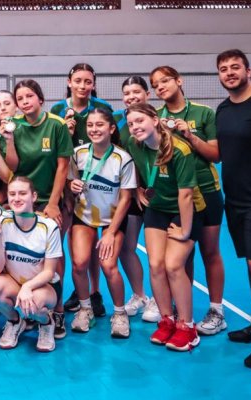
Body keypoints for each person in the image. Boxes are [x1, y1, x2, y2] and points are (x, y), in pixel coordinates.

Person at [151, 65, 227, 336]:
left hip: (205, 192)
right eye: (156, 84)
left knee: (209, 251)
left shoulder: (203, 112)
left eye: (165, 81)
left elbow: (215, 155)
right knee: (182, 256)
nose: (161, 87)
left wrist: (189, 135)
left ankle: (217, 310)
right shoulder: (156, 117)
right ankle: (185, 314)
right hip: (174, 196)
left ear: (179, 81)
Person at [125, 102, 205, 352]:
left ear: (155, 119)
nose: (135, 127)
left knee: (173, 265)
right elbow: (135, 170)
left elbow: (185, 196)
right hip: (157, 209)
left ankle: (187, 326)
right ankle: (166, 319)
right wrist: (138, 189)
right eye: (130, 124)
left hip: (187, 210)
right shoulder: (134, 145)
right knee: (156, 265)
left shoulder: (179, 150)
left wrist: (185, 231)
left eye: (140, 121)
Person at [215, 48, 251, 369]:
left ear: (248, 71)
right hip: (235, 201)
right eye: (223, 69)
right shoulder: (223, 109)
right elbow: (221, 153)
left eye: (235, 67)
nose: (229, 73)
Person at [50, 63, 114, 318]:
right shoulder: (57, 110)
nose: (83, 86)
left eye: (88, 81)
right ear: (69, 82)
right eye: (78, 81)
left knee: (94, 241)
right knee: (65, 240)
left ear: (93, 84)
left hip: (97, 184)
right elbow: (54, 147)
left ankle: (95, 291)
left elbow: (113, 143)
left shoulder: (102, 109)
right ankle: (75, 290)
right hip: (68, 182)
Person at [11, 79, 73, 338]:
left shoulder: (56, 125)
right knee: (26, 254)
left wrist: (53, 203)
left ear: (40, 99)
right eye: (20, 98)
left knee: (54, 257)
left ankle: (57, 311)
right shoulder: (15, 128)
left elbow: (62, 166)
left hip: (51, 200)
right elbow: (13, 167)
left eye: (29, 96)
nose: (25, 102)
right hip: (24, 200)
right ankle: (30, 307)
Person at [68, 108, 136, 338]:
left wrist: (110, 233)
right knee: (79, 264)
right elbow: (69, 182)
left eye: (99, 125)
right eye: (90, 125)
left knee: (108, 265)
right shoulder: (77, 154)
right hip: (84, 215)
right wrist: (71, 186)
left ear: (111, 128)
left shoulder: (123, 159)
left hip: (112, 219)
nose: (94, 129)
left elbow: (127, 198)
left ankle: (119, 314)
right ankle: (86, 309)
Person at [0, 177, 63, 352]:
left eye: (22, 193)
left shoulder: (49, 227)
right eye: (12, 194)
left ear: (33, 197)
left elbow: (50, 272)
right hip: (15, 282)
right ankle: (14, 321)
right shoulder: (2, 222)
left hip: (44, 286)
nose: (16, 198)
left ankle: (46, 322)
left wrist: (28, 287)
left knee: (32, 305)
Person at [112, 76, 158, 321]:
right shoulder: (122, 124)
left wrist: (145, 188)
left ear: (147, 94)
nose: (131, 96)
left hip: (156, 196)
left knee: (156, 252)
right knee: (126, 248)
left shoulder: (156, 120)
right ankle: (140, 295)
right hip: (131, 193)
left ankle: (161, 301)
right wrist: (135, 189)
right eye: (127, 93)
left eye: (136, 92)